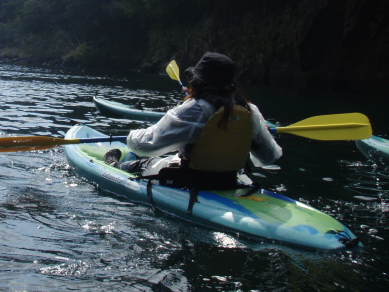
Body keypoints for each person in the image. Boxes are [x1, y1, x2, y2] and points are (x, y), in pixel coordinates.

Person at [111, 52, 282, 190]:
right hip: (230, 181)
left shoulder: (195, 109)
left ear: (198, 83)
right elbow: (270, 157)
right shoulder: (250, 111)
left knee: (141, 162)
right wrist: (255, 135)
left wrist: (132, 136)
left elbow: (145, 146)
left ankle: (112, 163)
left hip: (190, 181)